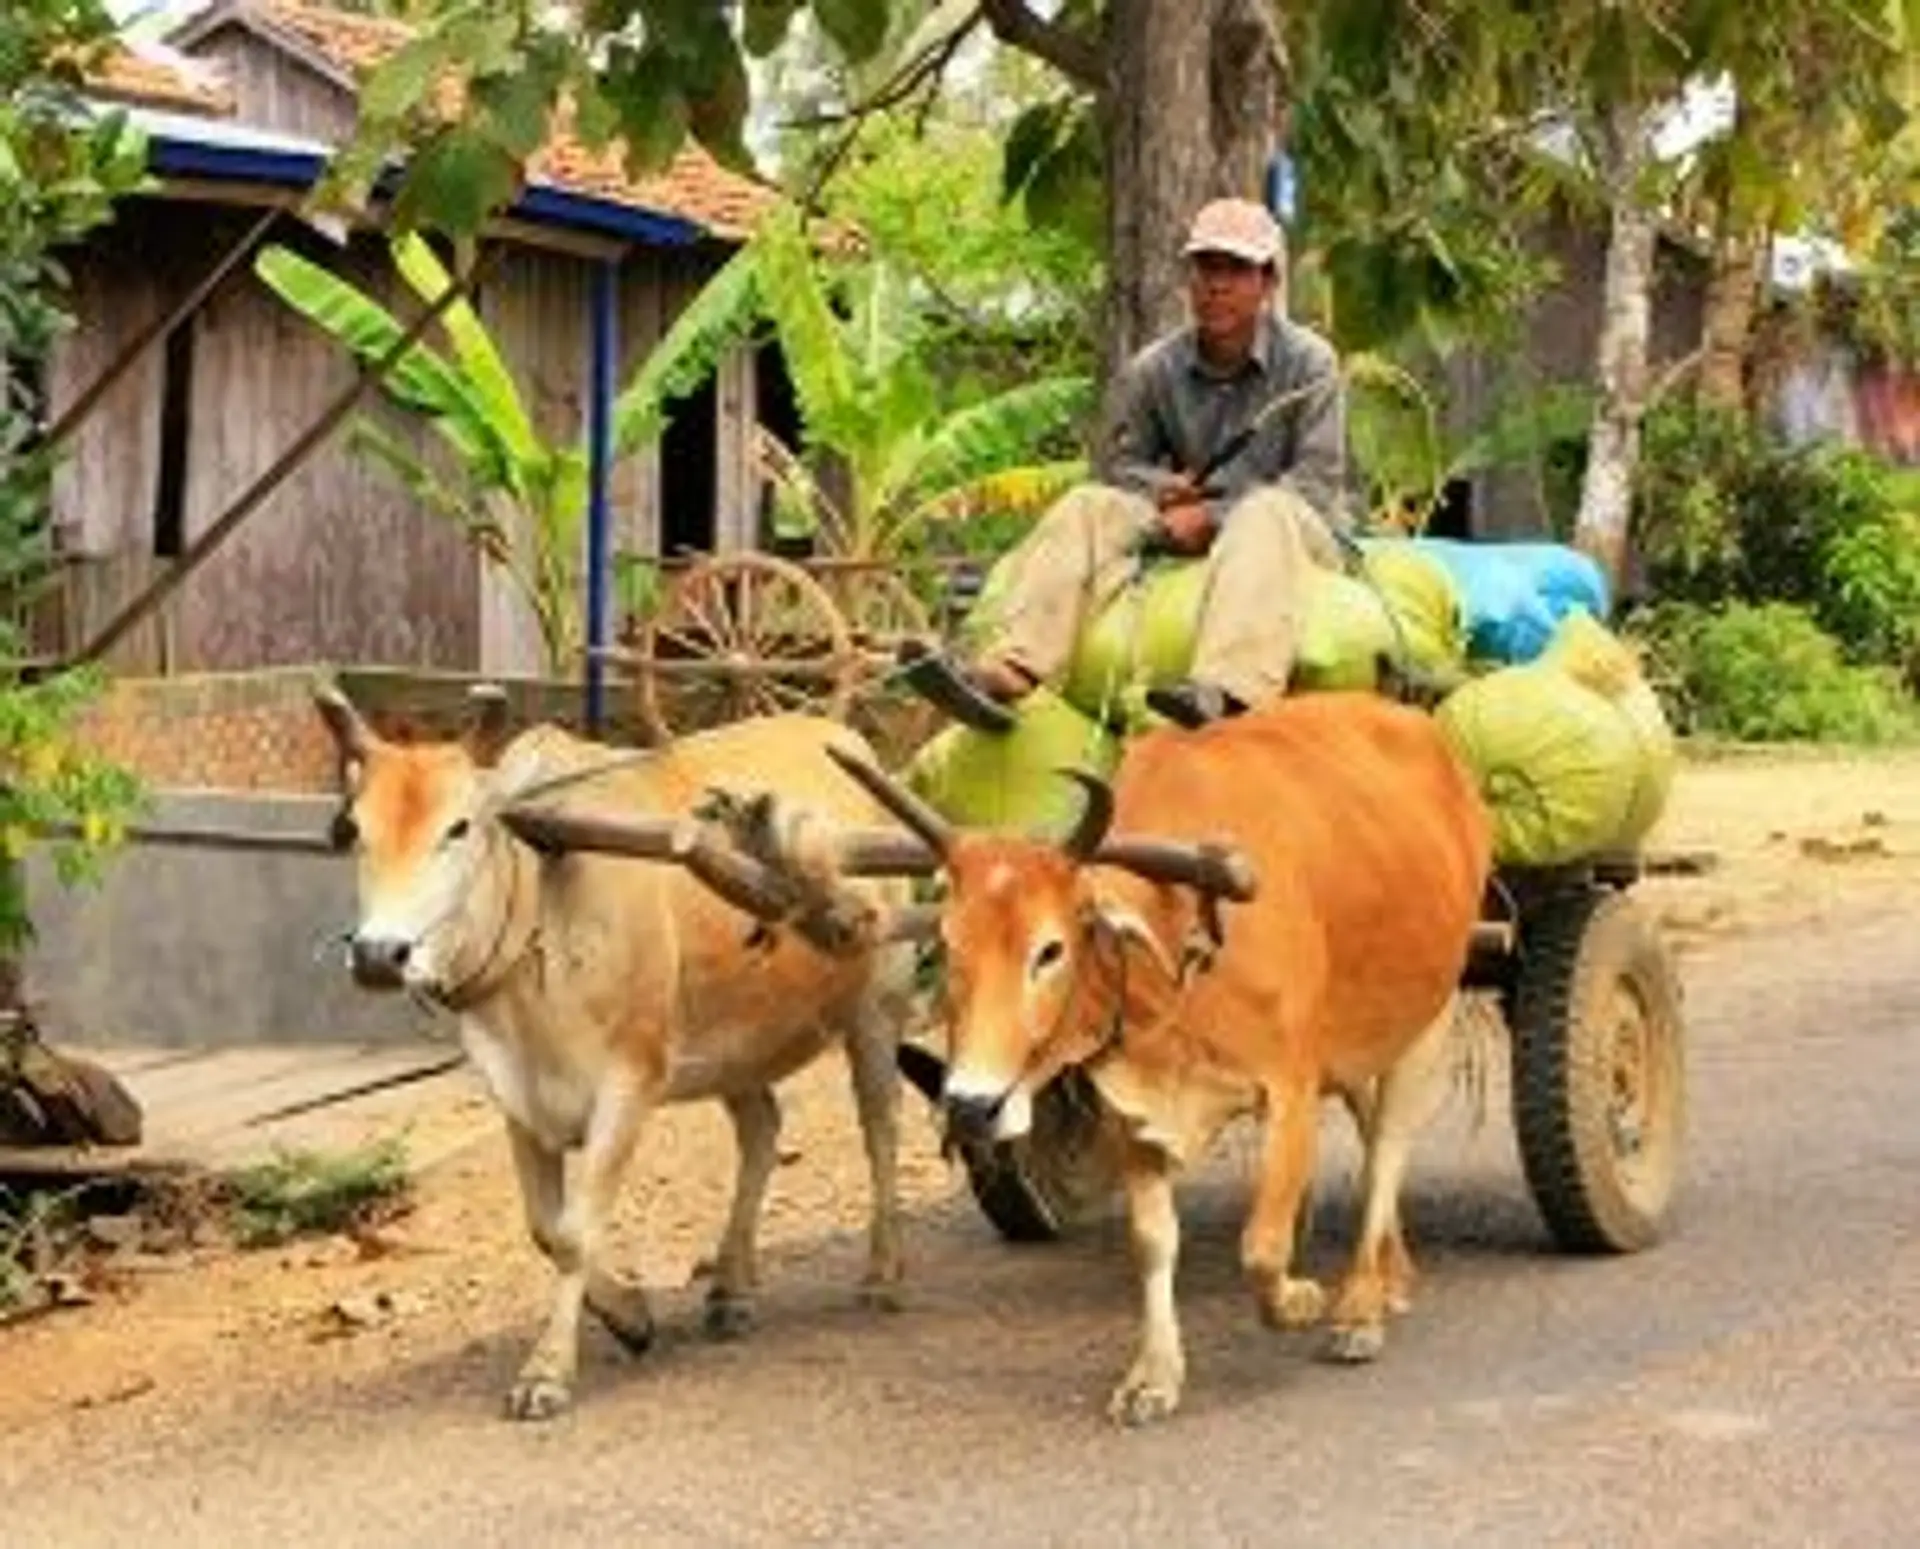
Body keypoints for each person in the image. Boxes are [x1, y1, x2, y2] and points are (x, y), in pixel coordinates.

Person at [901, 196, 1351, 733]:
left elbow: (1317, 485)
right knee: (1087, 506)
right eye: (1206, 267)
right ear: (1189, 278)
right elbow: (1121, 466)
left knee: (1266, 511)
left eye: (1237, 269)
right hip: (1183, 517)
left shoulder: (1310, 362)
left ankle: (1227, 689)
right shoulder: (1156, 368)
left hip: (1290, 529)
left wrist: (1215, 516)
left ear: (1268, 283)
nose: (1217, 284)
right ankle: (1013, 668)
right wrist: (1165, 489)